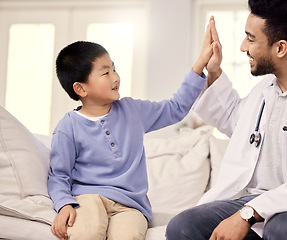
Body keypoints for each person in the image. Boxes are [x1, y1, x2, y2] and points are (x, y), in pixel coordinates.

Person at [166, 0, 287, 239]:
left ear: (280, 48)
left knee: (282, 227)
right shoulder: (266, 88)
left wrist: (248, 214)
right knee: (183, 225)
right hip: (252, 201)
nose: (242, 47)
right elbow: (234, 120)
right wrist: (213, 69)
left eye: (251, 38)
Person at [47, 36, 219, 240]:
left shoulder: (132, 111)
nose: (115, 77)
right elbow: (59, 175)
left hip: (130, 206)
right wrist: (64, 203)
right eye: (105, 73)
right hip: (88, 198)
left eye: (114, 69)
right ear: (81, 89)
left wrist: (200, 64)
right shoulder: (68, 126)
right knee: (86, 232)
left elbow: (175, 108)